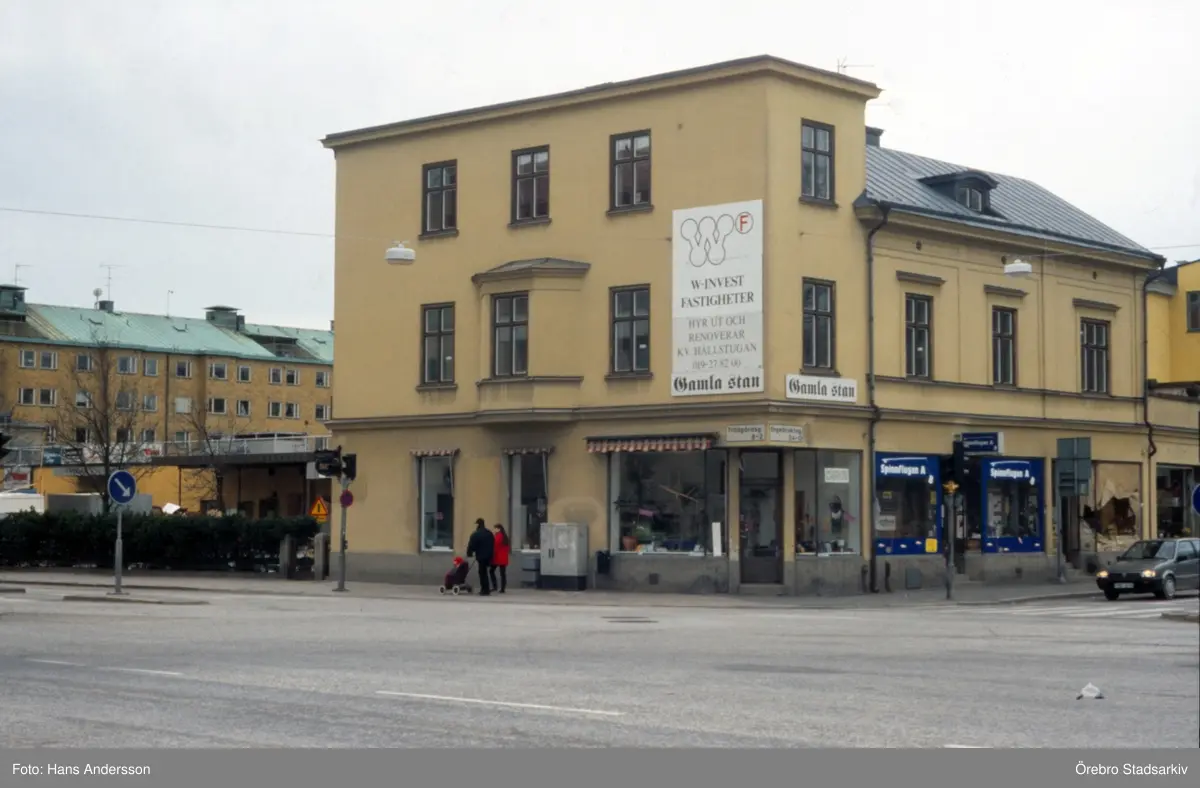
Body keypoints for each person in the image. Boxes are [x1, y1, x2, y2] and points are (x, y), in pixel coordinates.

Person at [466, 518, 494, 596]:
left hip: (481, 556)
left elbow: (471, 545)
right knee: (485, 572)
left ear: (478, 524)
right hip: (488, 556)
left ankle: (484, 589)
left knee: (482, 572)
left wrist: (469, 553)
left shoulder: (476, 534)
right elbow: (492, 544)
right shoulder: (489, 533)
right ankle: (486, 589)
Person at [489, 524, 511, 593]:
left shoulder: (498, 536)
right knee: (502, 573)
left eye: (495, 528)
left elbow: (495, 546)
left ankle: (495, 586)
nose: (494, 530)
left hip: (497, 557)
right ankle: (503, 588)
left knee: (491, 571)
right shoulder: (505, 536)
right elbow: (508, 548)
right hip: (503, 557)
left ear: (498, 529)